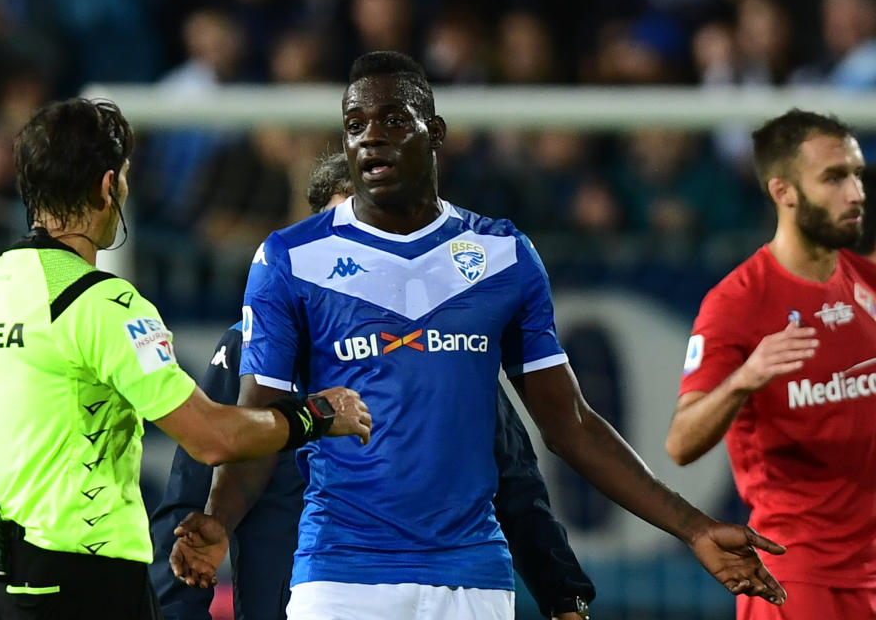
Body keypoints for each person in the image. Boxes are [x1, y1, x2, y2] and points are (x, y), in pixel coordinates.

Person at [170, 51, 787, 620]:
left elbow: (569, 421)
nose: (371, 136)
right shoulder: (291, 259)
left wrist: (693, 527)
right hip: (340, 577)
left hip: (474, 580)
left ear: (434, 135)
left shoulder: (501, 255)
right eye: (355, 123)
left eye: (392, 119)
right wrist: (220, 520)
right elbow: (258, 424)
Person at [0, 97, 371, 620]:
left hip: (7, 586)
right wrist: (315, 415)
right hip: (92, 582)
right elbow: (211, 437)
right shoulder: (104, 304)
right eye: (123, 177)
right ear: (108, 187)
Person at [149, 151, 596, 620]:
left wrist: (565, 595)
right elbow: (187, 505)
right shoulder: (247, 351)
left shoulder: (444, 354)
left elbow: (515, 484)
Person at [667, 108, 876, 619]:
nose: (856, 193)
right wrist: (744, 380)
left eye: (856, 174)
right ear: (783, 191)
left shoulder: (865, 279)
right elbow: (680, 442)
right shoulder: (737, 303)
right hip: (800, 580)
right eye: (834, 177)